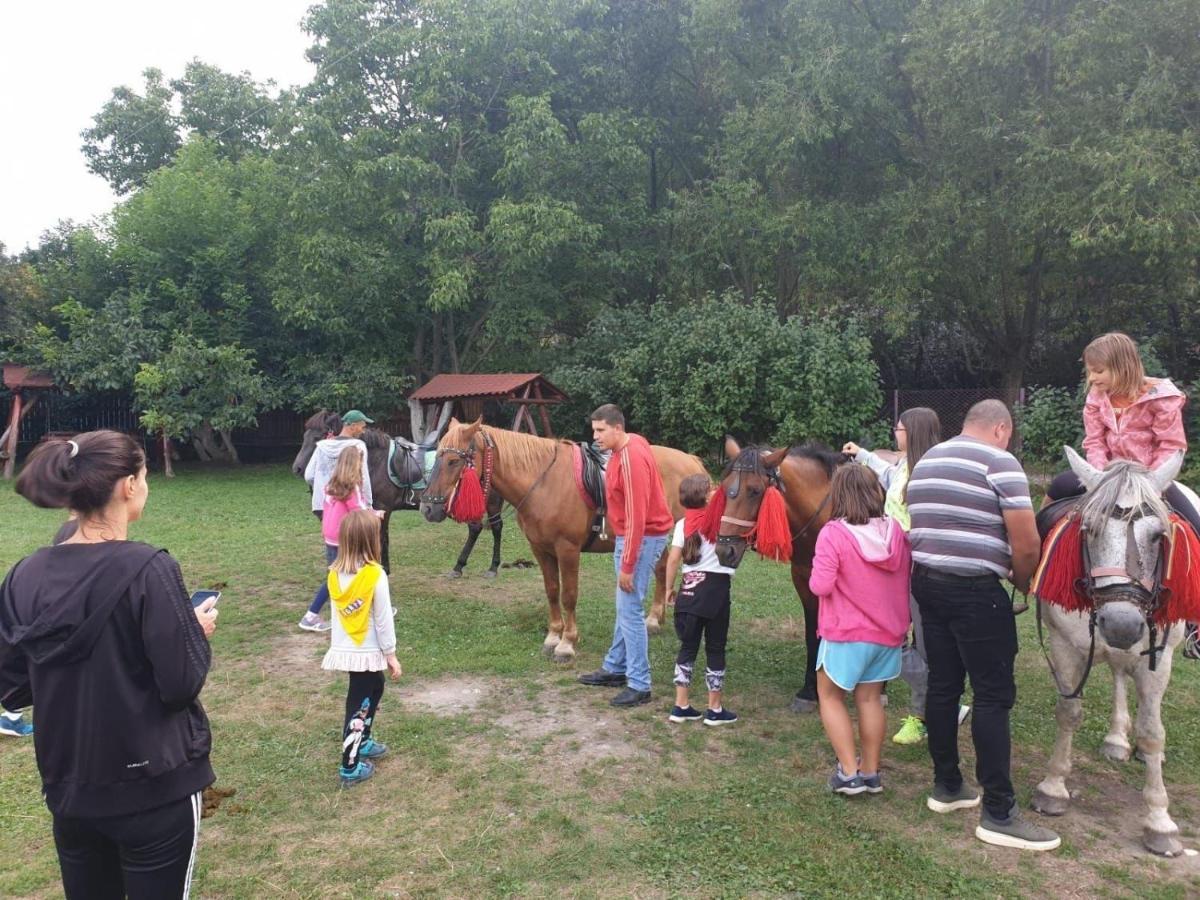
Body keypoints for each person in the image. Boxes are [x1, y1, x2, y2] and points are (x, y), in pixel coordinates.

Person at [0, 430, 219, 896]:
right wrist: (191, 633)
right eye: (145, 476)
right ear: (128, 485)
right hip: (154, 791)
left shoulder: (24, 574)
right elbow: (181, 683)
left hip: (71, 792)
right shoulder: (148, 567)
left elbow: (12, 686)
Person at [907, 400, 1060, 851]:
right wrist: (1021, 579)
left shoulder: (928, 460)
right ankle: (999, 812)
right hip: (975, 591)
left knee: (943, 686)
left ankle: (948, 786)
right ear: (1000, 428)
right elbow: (1026, 541)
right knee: (993, 697)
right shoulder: (1000, 461)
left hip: (927, 585)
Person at [843, 408, 970, 745]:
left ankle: (927, 711)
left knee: (922, 644)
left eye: (898, 427)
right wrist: (863, 455)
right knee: (893, 639)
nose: (894, 432)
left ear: (911, 431)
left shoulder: (931, 471)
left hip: (918, 569)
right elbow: (886, 472)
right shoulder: (904, 466)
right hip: (895, 568)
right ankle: (942, 701)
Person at [808, 465, 911, 795]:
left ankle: (848, 773)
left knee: (829, 696)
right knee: (870, 700)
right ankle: (870, 772)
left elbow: (820, 585)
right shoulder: (896, 531)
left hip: (846, 634)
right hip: (888, 634)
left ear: (838, 495)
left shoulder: (833, 534)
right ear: (876, 492)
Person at [1046, 332, 1196, 534]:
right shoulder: (1096, 399)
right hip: (1107, 476)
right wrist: (1100, 478)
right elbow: (1094, 442)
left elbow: (1171, 445)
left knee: (1194, 524)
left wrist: (1151, 481)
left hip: (1148, 478)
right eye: (1089, 372)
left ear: (1123, 367)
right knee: (1059, 486)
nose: (1092, 378)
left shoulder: (1161, 399)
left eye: (1098, 371)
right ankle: (1033, 555)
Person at [577, 404, 673, 708]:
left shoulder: (630, 459)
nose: (595, 436)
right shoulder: (632, 444)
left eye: (601, 430)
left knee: (630, 609)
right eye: (593, 430)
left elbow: (636, 516)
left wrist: (628, 565)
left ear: (618, 428)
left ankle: (640, 684)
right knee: (625, 606)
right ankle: (615, 667)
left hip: (641, 539)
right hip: (639, 537)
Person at [322, 510, 402, 786]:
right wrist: (391, 654)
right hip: (365, 651)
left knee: (375, 688)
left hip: (348, 650)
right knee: (358, 706)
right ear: (372, 541)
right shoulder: (375, 575)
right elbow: (382, 620)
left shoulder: (334, 574)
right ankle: (350, 765)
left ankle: (363, 740)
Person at [662, 474, 738, 726]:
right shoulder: (720, 521)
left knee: (687, 647)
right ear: (705, 496)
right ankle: (714, 709)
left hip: (688, 590)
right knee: (715, 648)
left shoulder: (683, 524)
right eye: (711, 488)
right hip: (715, 590)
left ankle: (681, 705)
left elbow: (673, 559)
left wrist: (668, 589)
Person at [301, 410, 375, 632]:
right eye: (362, 425)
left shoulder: (323, 446)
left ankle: (359, 607)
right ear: (352, 426)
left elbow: (309, 476)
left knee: (343, 570)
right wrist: (370, 508)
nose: (364, 429)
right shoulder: (357, 449)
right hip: (350, 523)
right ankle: (315, 614)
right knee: (358, 567)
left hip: (330, 519)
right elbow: (365, 481)